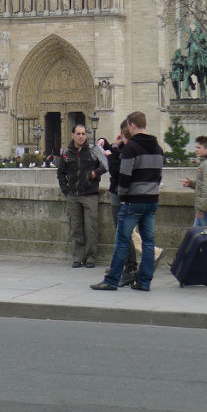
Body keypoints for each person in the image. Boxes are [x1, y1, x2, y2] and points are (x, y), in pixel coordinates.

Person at [91, 110, 164, 291]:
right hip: (151, 200)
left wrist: (123, 197)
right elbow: (158, 176)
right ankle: (144, 282)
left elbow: (124, 176)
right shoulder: (158, 148)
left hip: (132, 201)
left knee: (122, 241)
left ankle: (111, 280)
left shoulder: (131, 148)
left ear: (132, 125)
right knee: (148, 242)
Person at [57, 122, 107, 269]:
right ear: (73, 135)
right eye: (78, 134)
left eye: (83, 134)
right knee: (76, 228)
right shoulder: (66, 152)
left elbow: (105, 165)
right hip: (73, 195)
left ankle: (91, 257)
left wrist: (94, 174)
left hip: (90, 194)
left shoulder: (93, 149)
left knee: (91, 228)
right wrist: (65, 190)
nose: (81, 136)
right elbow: (61, 173)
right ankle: (78, 257)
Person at [102, 123, 139, 286]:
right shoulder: (128, 147)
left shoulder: (129, 149)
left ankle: (130, 267)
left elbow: (117, 170)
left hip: (122, 194)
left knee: (124, 232)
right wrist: (113, 146)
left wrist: (110, 155)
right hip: (125, 194)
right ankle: (123, 265)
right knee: (124, 233)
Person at [182, 135, 207, 227]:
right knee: (203, 237)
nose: (196, 150)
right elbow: (204, 184)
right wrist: (191, 183)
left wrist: (201, 209)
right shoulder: (205, 163)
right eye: (196, 147)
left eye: (199, 147)